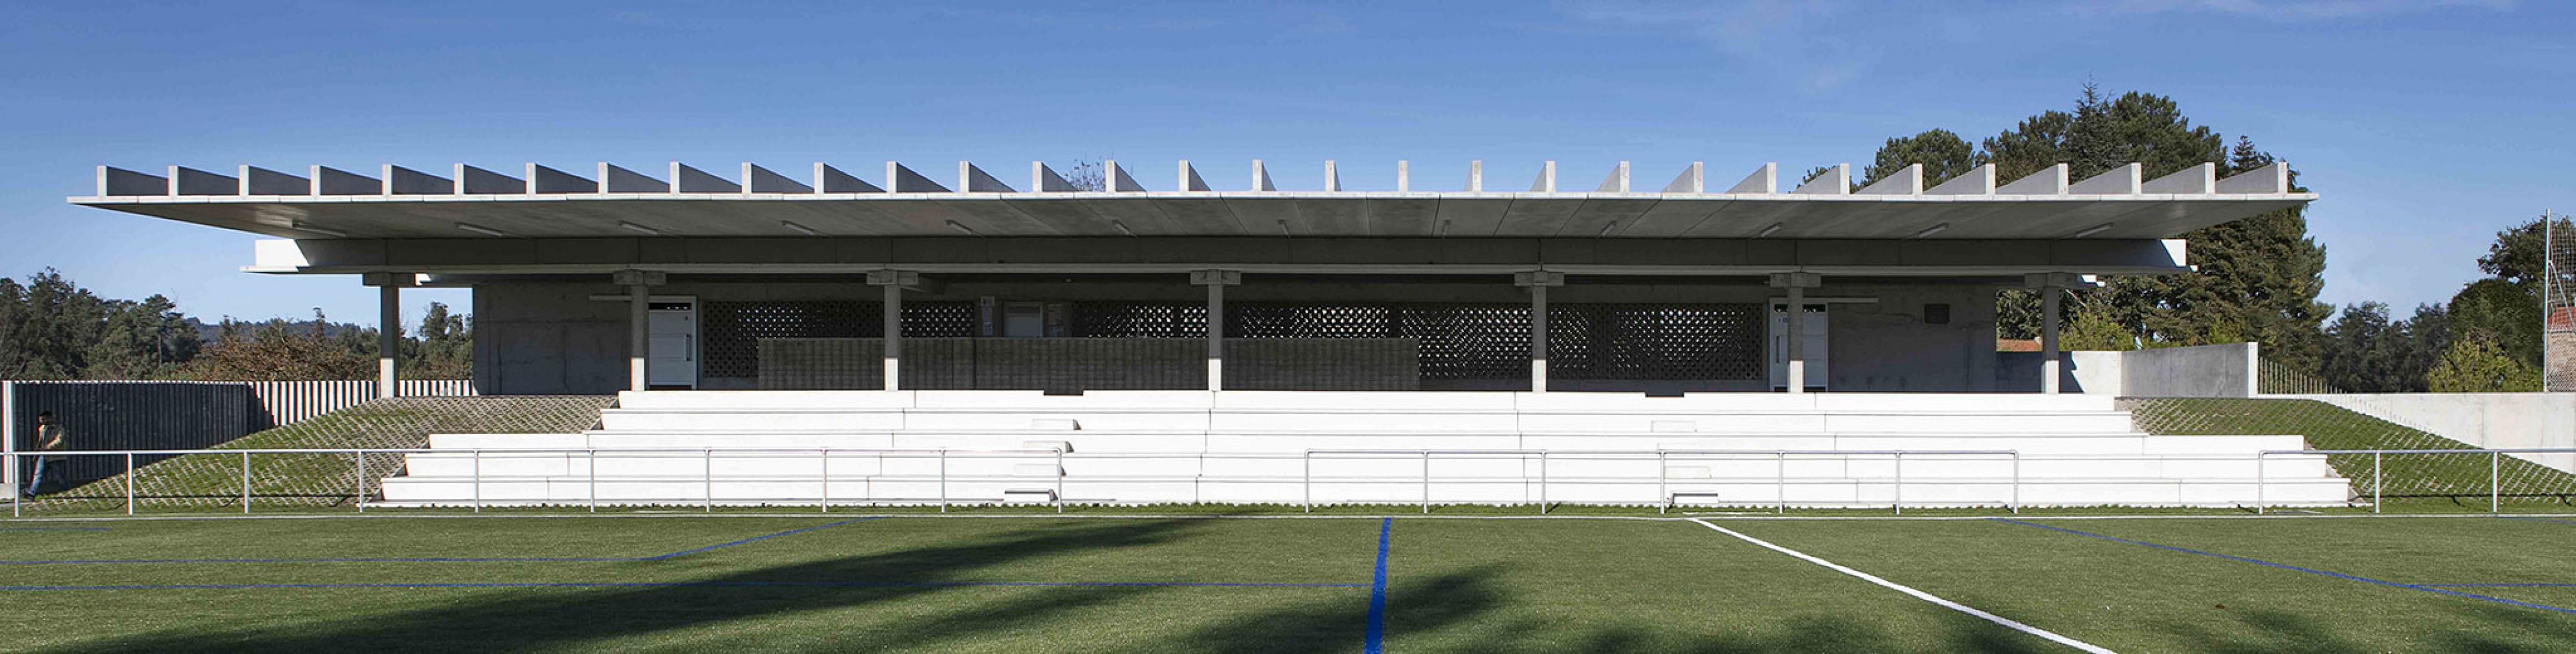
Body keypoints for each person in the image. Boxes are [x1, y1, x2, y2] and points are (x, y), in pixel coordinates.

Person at [23, 411, 65, 498]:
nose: (42, 421)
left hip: (56, 456)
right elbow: (40, 441)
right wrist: (37, 453)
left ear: (49, 418)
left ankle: (66, 490)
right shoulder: (42, 429)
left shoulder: (59, 429)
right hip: (44, 456)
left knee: (59, 476)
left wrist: (48, 447)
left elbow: (59, 441)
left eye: (43, 419)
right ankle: (32, 493)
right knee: (38, 475)